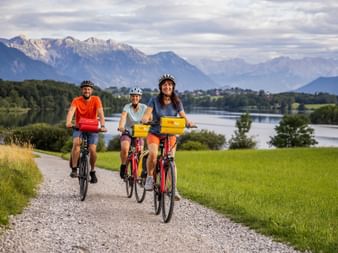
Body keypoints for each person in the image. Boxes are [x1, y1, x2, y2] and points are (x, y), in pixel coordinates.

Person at [141, 74, 193, 201]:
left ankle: (173, 188)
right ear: (161, 87)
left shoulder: (177, 102)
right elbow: (147, 114)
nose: (167, 86)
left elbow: (183, 115)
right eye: (165, 84)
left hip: (170, 134)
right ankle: (149, 178)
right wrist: (145, 119)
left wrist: (188, 122)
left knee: (171, 160)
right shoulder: (154, 100)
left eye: (170, 84)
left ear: (173, 87)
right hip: (155, 133)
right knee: (153, 155)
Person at [66, 80, 107, 183]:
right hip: (79, 127)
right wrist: (68, 122)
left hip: (92, 128)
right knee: (76, 143)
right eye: (85, 89)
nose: (86, 91)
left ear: (91, 91)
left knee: (92, 150)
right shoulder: (76, 100)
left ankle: (92, 171)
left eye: (88, 89)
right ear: (81, 90)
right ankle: (74, 169)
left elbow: (101, 113)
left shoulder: (96, 99)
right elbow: (71, 111)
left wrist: (102, 125)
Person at [117, 87, 147, 178]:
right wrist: (121, 126)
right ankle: (123, 165)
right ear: (130, 97)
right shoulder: (127, 107)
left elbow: (149, 118)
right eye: (133, 96)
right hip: (127, 132)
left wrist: (149, 123)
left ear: (140, 97)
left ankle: (137, 171)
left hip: (139, 133)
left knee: (140, 152)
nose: (135, 98)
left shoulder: (144, 107)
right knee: (125, 148)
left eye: (137, 96)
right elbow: (123, 117)